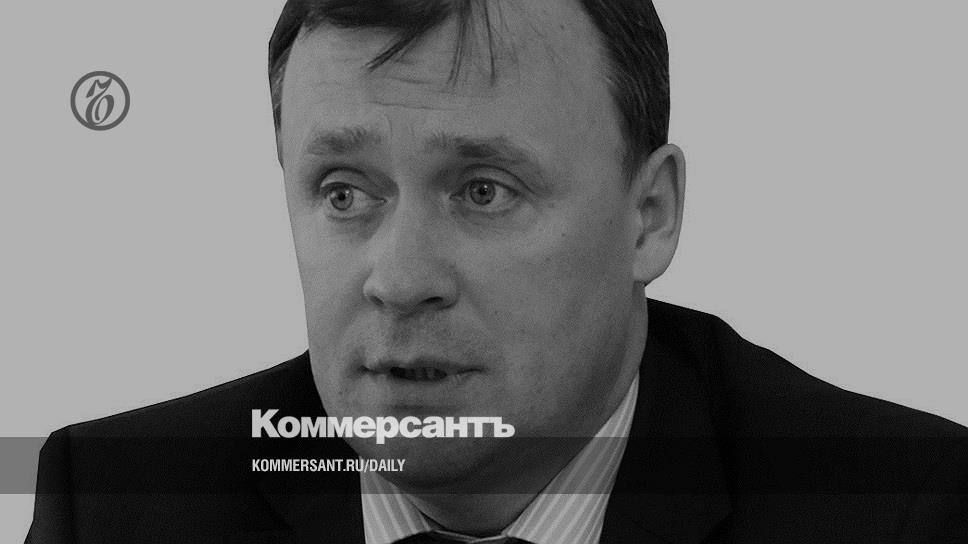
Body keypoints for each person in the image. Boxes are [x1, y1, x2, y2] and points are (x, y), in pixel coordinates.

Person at [27, 0, 968, 542]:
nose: (399, 280)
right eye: (344, 192)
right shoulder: (118, 506)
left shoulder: (901, 512)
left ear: (650, 216)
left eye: (484, 191)